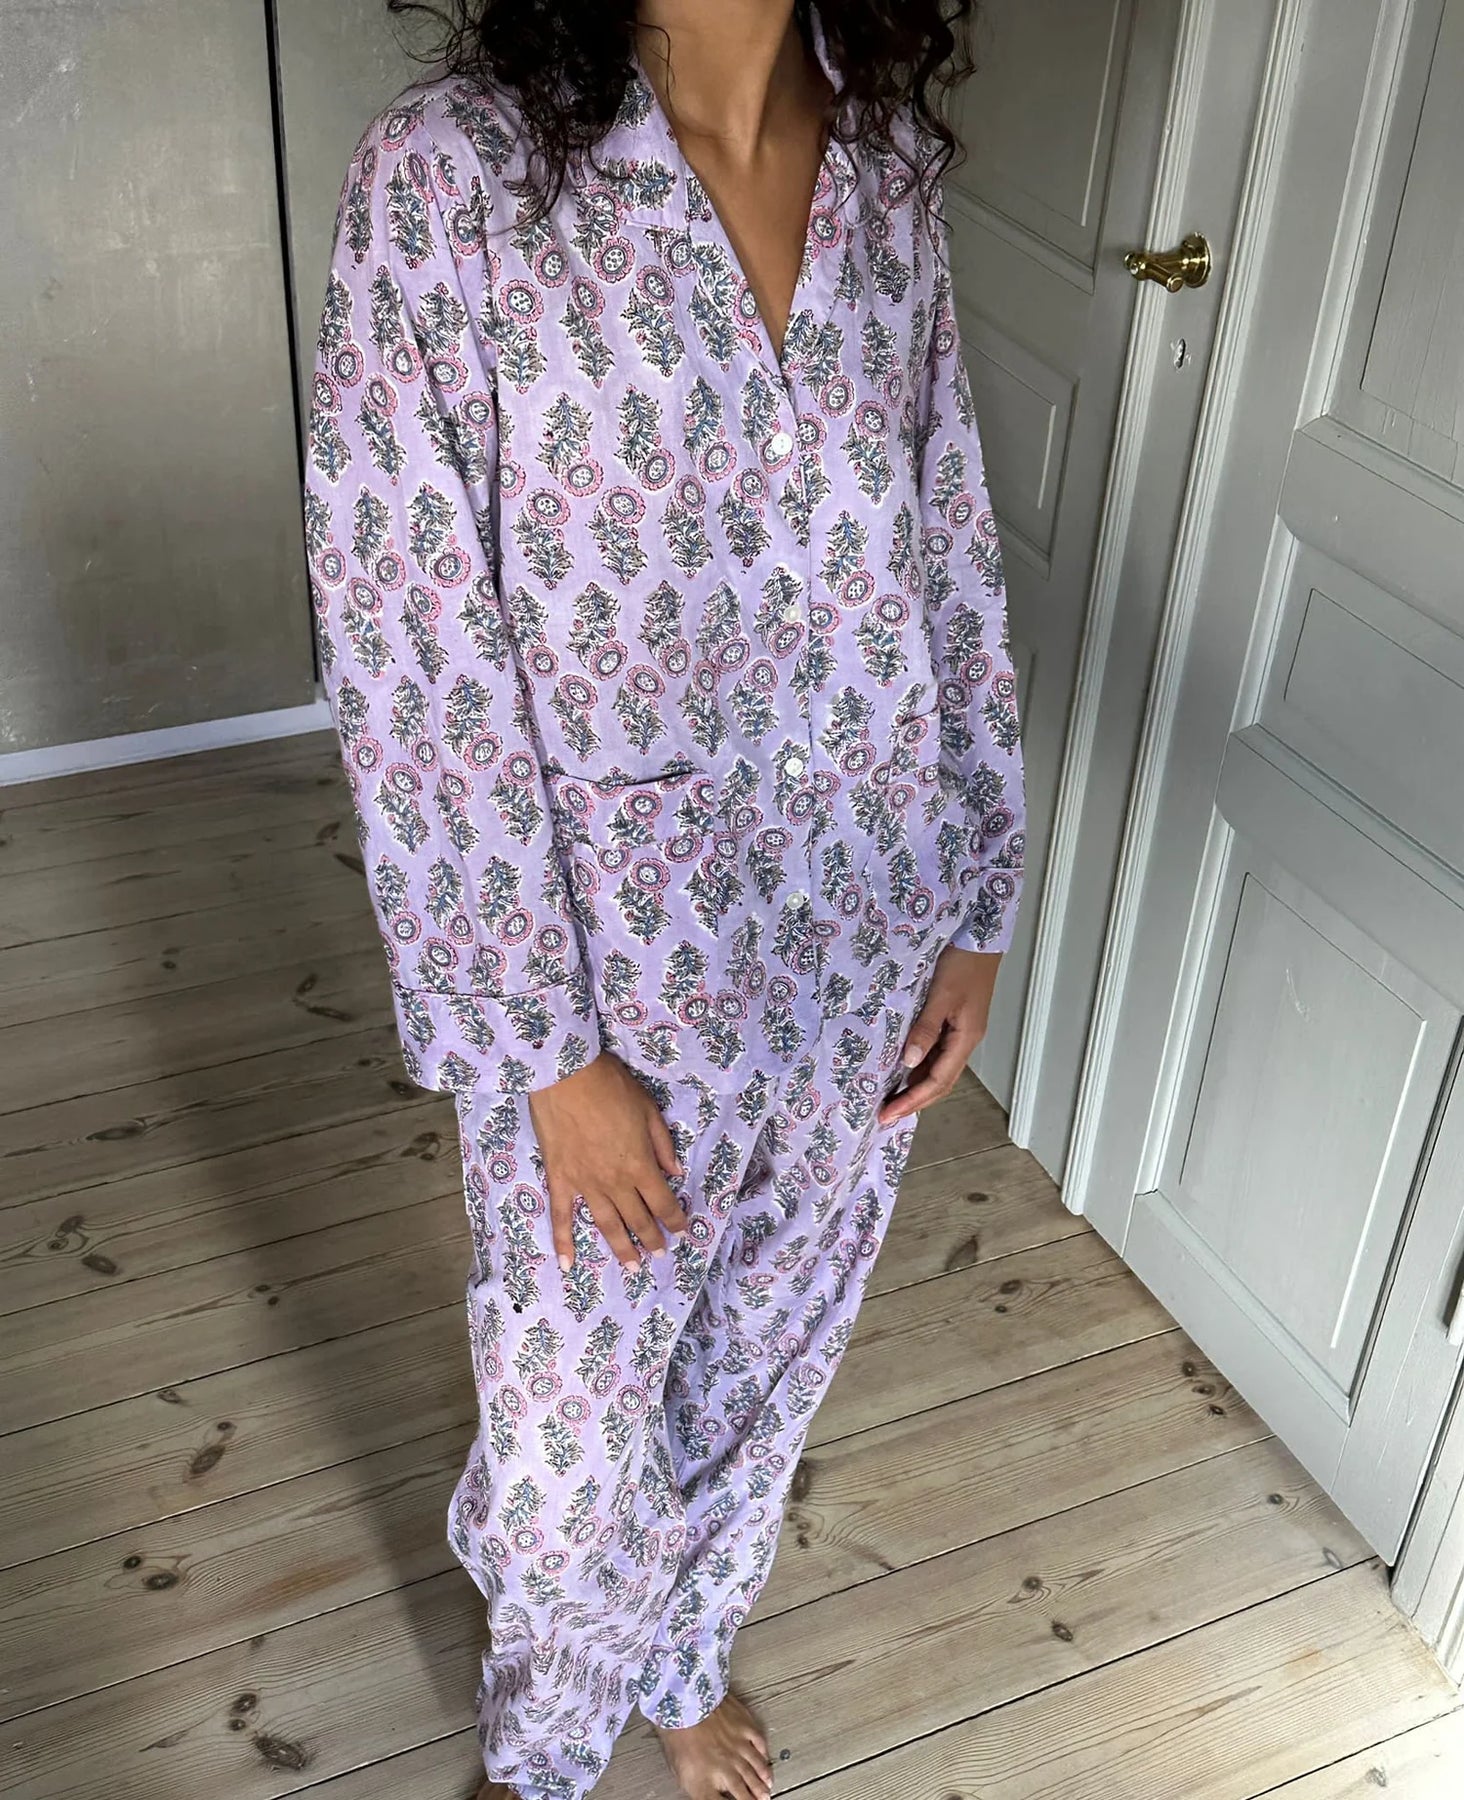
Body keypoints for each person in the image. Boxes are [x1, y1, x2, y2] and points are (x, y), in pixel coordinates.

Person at [302, 0, 1024, 1793]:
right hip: (610, 980)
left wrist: (978, 900)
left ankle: (685, 1655)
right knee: (567, 1459)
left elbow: (945, 531)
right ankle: (544, 1748)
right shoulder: (452, 184)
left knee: (765, 1366)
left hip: (865, 928)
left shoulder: (883, 170)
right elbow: (414, 651)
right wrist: (542, 1052)